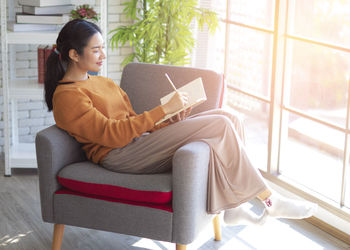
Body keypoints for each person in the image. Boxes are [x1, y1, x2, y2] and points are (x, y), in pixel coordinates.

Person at [44, 19, 317, 226]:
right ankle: (269, 200)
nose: (103, 55)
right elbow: (112, 135)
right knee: (220, 126)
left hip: (140, 144)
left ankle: (232, 208)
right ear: (73, 55)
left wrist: (169, 120)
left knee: (228, 116)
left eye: (103, 48)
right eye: (96, 50)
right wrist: (163, 109)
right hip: (119, 155)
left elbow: (133, 120)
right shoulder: (67, 96)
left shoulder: (101, 81)